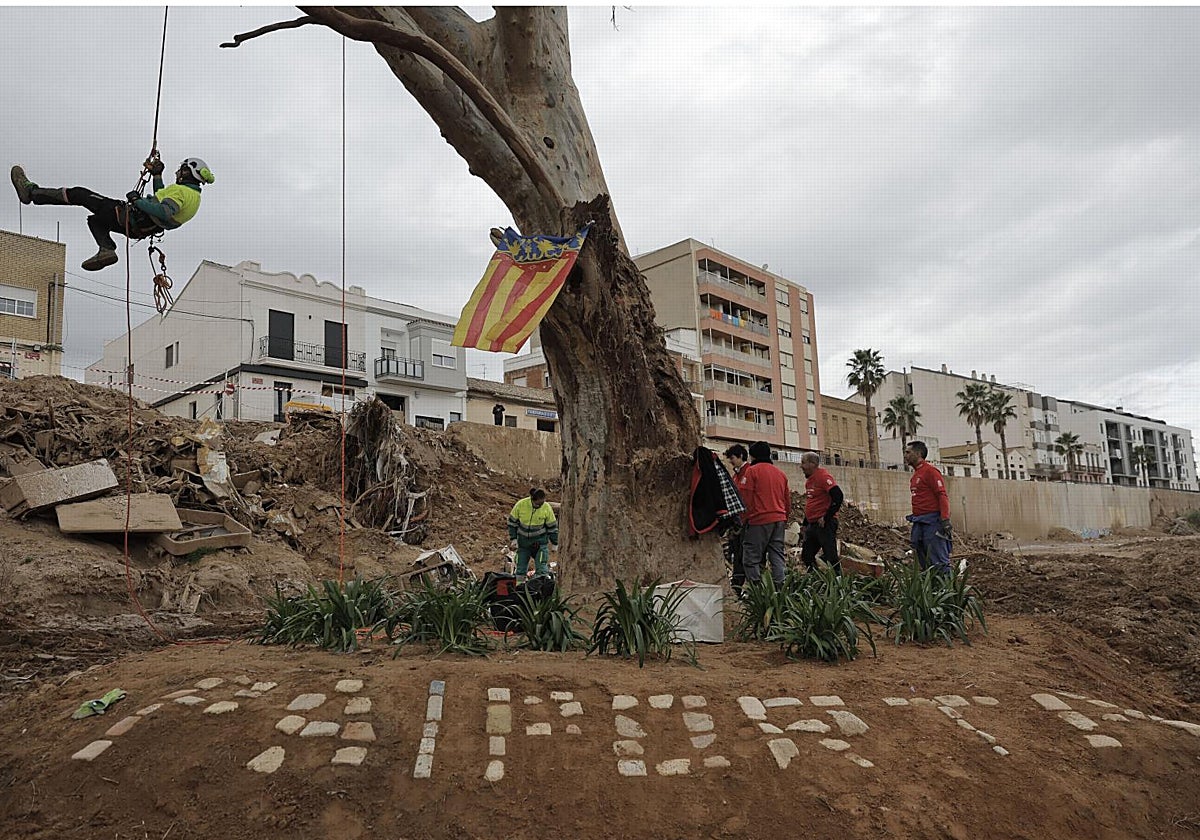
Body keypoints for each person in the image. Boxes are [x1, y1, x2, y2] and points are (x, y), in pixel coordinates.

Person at [10, 157, 214, 272]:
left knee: (81, 194)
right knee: (95, 220)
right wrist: (157, 175)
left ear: (189, 172)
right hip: (137, 227)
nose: (178, 172)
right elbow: (161, 197)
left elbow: (163, 210)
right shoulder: (193, 197)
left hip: (128, 215)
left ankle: (32, 192)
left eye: (181, 170)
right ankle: (106, 249)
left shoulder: (182, 192)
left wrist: (137, 201)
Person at [737, 441, 790, 587]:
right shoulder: (780, 474)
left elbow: (745, 498)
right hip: (779, 519)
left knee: (751, 558)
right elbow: (787, 500)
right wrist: (785, 518)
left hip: (759, 520)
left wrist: (742, 520)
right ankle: (780, 588)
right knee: (777, 555)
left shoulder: (751, 471)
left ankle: (758, 591)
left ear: (753, 456)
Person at [903, 441, 953, 572]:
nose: (905, 455)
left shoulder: (930, 472)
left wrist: (945, 519)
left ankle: (945, 587)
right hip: (919, 522)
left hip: (932, 522)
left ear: (918, 454)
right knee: (922, 556)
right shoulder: (915, 476)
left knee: (938, 558)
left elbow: (942, 495)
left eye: (908, 452)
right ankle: (931, 587)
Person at [799, 452, 843, 572]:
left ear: (812, 464)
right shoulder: (809, 481)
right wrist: (805, 523)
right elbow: (812, 503)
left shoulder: (823, 477)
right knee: (806, 555)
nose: (801, 466)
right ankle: (816, 581)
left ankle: (839, 584)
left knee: (830, 556)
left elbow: (838, 496)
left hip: (824, 524)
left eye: (803, 463)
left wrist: (826, 517)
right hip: (812, 524)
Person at [507, 487, 558, 578]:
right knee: (520, 569)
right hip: (523, 544)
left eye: (542, 503)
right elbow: (512, 523)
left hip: (540, 544)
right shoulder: (521, 505)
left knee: (542, 570)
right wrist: (513, 538)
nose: (540, 506)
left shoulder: (546, 508)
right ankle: (520, 588)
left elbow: (552, 527)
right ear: (532, 500)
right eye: (538, 504)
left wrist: (555, 543)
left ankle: (540, 588)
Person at [721, 444, 750, 596]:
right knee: (736, 553)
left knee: (744, 554)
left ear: (740, 456)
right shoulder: (736, 475)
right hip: (737, 522)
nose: (731, 462)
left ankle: (743, 585)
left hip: (747, 522)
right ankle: (737, 585)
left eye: (732, 458)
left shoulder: (749, 473)